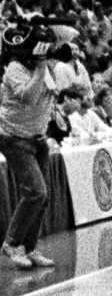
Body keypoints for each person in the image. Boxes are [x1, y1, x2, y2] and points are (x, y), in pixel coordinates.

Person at [0, 20, 60, 270]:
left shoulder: (42, 68)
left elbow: (52, 93)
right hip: (14, 137)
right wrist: (41, 68)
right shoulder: (14, 68)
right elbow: (29, 97)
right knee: (36, 192)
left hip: (37, 138)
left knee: (42, 198)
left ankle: (29, 247)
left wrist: (47, 66)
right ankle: (11, 244)